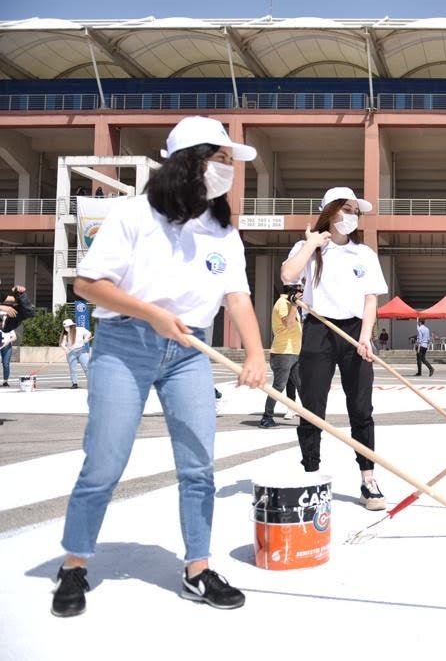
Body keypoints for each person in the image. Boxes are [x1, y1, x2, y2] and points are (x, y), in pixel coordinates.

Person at [53, 116, 265, 617]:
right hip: (125, 346)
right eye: (220, 159)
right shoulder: (132, 215)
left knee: (198, 466)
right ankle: (75, 565)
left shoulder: (222, 231)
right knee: (105, 461)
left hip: (190, 353)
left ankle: (197, 569)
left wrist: (255, 354)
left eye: (230, 162)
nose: (227, 170)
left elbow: (237, 296)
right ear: (187, 163)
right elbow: (88, 284)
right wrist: (151, 314)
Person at [281, 186, 388, 511]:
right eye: (346, 209)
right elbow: (287, 274)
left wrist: (366, 336)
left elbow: (371, 297)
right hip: (319, 328)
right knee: (312, 407)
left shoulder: (364, 254)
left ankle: (368, 480)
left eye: (356, 211)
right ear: (330, 211)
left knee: (361, 407)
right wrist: (312, 243)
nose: (352, 216)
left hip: (355, 331)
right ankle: (311, 476)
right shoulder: (308, 247)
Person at [259, 284, 303, 428]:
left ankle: (311, 417)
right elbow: (288, 324)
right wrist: (295, 305)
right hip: (283, 353)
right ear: (293, 292)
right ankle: (267, 417)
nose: (302, 294)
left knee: (302, 386)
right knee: (278, 386)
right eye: (300, 291)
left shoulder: (290, 304)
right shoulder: (283, 303)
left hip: (294, 352)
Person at [59, 319, 92, 389]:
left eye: (67, 327)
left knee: (86, 367)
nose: (66, 328)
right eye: (65, 327)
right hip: (71, 353)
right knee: (73, 368)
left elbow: (89, 333)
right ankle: (74, 383)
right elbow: (62, 344)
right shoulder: (65, 334)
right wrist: (66, 349)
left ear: (72, 326)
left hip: (82, 351)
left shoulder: (80, 329)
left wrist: (86, 338)